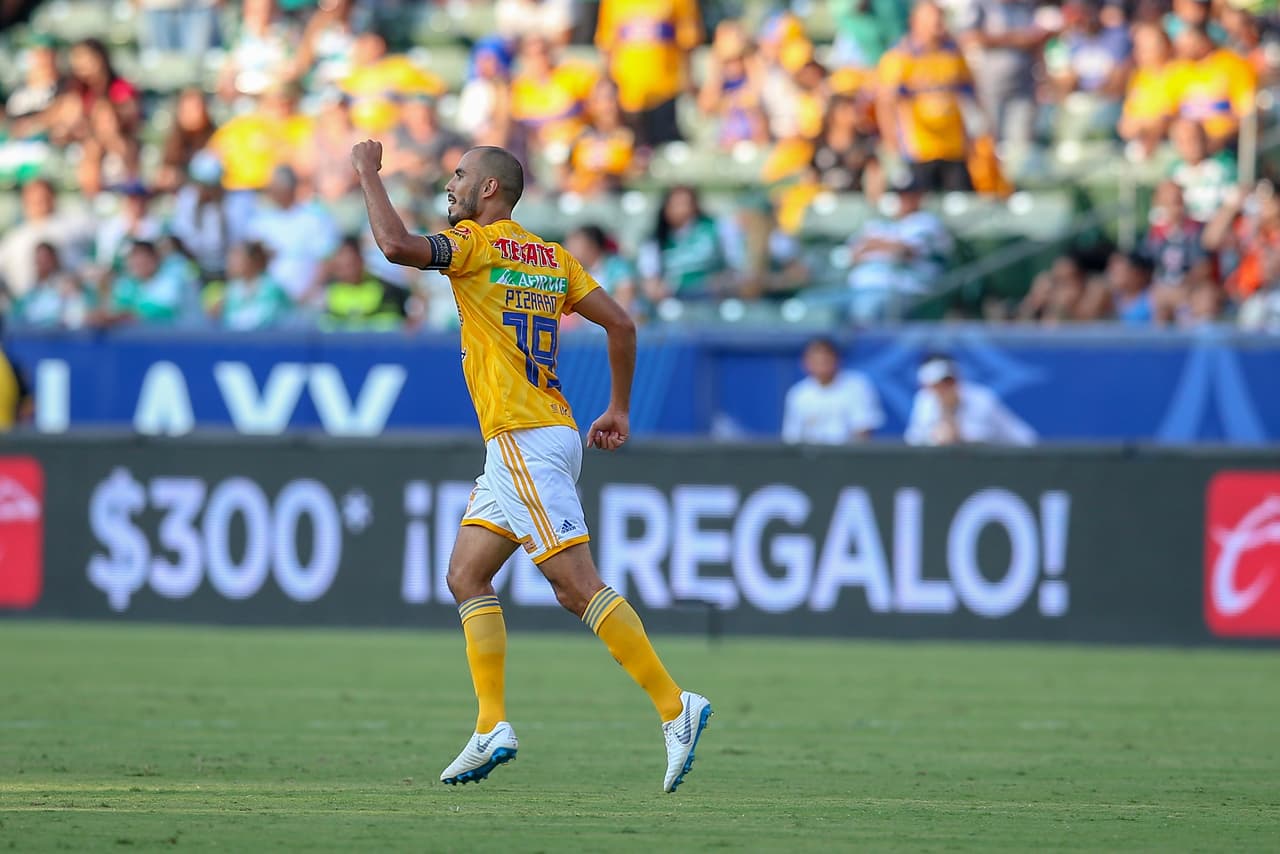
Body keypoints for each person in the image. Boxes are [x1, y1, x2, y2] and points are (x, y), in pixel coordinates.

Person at [354, 141, 710, 792]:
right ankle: (491, 725)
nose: (451, 184)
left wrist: (367, 175)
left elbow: (398, 248)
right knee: (466, 574)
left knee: (576, 587)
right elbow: (623, 326)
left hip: (523, 436)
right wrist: (619, 410)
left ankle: (673, 705)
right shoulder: (553, 258)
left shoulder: (475, 245)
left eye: (460, 175)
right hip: (540, 433)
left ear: (491, 190)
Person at [876, 1, 977, 193]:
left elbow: (969, 93)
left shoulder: (952, 52)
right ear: (915, 21)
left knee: (959, 204)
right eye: (932, 18)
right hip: (917, 149)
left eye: (940, 18)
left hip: (953, 146)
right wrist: (891, 141)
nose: (937, 23)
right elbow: (886, 102)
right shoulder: (901, 56)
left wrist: (974, 135)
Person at [846, 177, 952, 322]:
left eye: (909, 195)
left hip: (906, 290)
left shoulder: (927, 222)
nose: (903, 200)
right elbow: (852, 256)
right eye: (900, 195)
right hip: (860, 288)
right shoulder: (877, 222)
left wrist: (872, 243)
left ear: (920, 197)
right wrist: (887, 245)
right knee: (818, 308)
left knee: (867, 310)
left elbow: (905, 252)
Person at [959, 0, 1053, 146]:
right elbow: (969, 36)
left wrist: (1043, 77)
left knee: (1022, 143)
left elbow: (1035, 41)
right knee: (991, 140)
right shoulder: (983, 5)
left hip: (1024, 86)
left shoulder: (1025, 6)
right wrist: (1014, 39)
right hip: (991, 87)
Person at [244, 165, 340, 300]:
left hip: (309, 298)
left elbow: (327, 259)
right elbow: (251, 259)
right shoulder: (260, 221)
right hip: (270, 300)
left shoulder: (315, 218)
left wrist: (308, 293)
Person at [905, 354, 1036, 446]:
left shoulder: (982, 399)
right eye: (938, 385)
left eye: (949, 381)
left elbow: (1024, 438)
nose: (946, 388)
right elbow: (913, 443)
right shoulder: (923, 401)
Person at [0, 178, 95, 301]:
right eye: (34, 199)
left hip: (70, 302)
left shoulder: (77, 227)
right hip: (25, 308)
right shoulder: (13, 239)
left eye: (44, 197)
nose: (39, 202)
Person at [781, 337, 884, 444]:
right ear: (805, 363)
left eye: (826, 360)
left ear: (837, 359)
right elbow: (792, 438)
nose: (821, 365)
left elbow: (863, 431)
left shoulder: (858, 386)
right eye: (816, 360)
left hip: (849, 456)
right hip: (811, 458)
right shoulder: (798, 394)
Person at [637, 186, 728, 303]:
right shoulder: (656, 240)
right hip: (674, 300)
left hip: (714, 298)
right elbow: (650, 280)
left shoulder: (716, 228)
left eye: (686, 204)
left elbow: (736, 268)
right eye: (676, 205)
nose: (682, 210)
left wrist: (723, 281)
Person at [208, 241, 292, 330]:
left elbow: (264, 321)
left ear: (253, 261)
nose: (230, 264)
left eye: (237, 259)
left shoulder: (272, 289)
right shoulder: (232, 290)